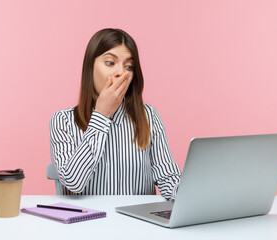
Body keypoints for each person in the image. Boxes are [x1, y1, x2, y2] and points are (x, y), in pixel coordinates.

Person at [49, 28, 181, 200]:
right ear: (90, 67)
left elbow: (167, 176)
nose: (121, 73)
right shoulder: (62, 121)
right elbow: (73, 181)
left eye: (129, 66)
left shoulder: (148, 116)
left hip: (137, 224)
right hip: (86, 224)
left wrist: (189, 192)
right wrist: (102, 114)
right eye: (110, 63)